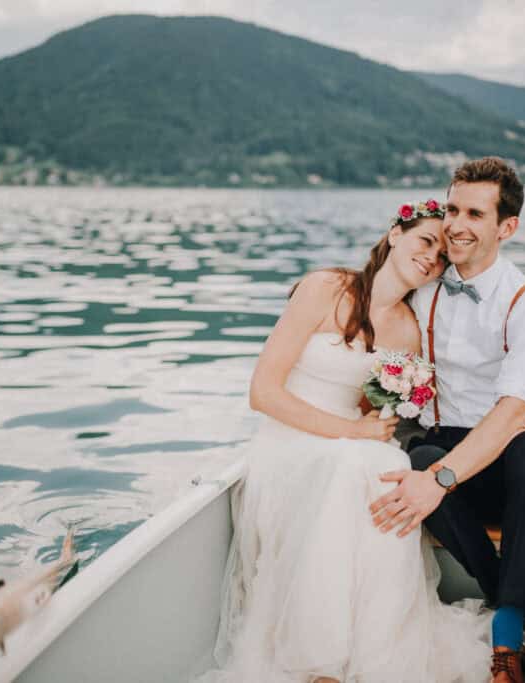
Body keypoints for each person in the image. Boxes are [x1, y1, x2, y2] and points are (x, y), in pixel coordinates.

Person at [195, 200, 492, 682]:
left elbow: (374, 413)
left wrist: (379, 415)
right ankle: (318, 660)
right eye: (425, 242)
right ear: (396, 234)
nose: (432, 258)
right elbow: (263, 392)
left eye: (442, 257)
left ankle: (378, 651)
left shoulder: (407, 330)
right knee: (353, 463)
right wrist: (353, 431)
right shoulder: (324, 288)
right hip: (289, 439)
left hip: (348, 445)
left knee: (383, 468)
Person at [369, 157, 525, 683]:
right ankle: (514, 608)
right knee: (420, 454)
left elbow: (515, 410)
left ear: (507, 227)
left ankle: (502, 641)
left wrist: (439, 481)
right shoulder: (423, 287)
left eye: (474, 213)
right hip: (442, 450)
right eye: (452, 208)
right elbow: (371, 300)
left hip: (507, 463)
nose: (455, 224)